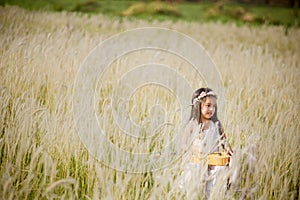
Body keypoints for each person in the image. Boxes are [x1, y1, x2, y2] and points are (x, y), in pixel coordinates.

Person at [179, 87, 233, 199]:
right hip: (198, 163)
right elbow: (183, 144)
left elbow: (224, 140)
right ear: (198, 106)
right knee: (196, 187)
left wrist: (227, 148)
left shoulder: (216, 124)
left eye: (214, 106)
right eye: (208, 105)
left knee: (213, 190)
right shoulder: (192, 125)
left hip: (214, 164)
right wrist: (193, 149)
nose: (211, 109)